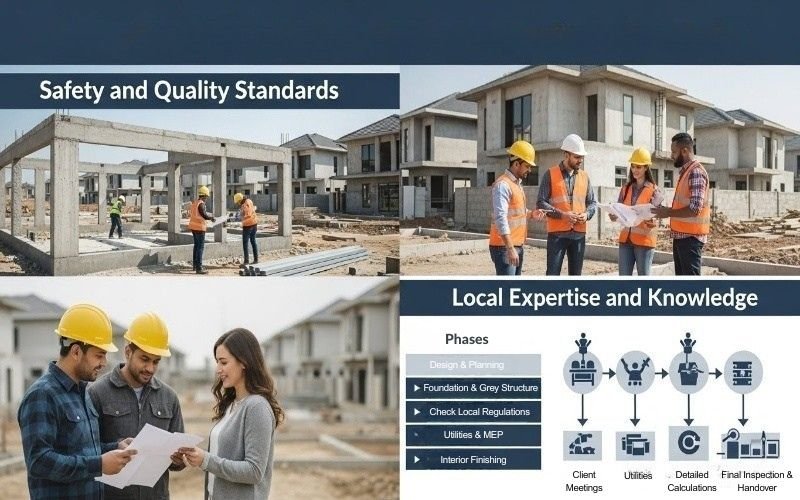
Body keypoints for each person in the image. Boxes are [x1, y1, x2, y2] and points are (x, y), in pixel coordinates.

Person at [17, 303, 137, 500]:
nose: (104, 363)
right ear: (75, 352)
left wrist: (115, 448)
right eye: (99, 355)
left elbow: (81, 449)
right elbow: (39, 461)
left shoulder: (82, 393)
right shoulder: (42, 395)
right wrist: (98, 464)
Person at [88, 312, 185, 500]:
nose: (150, 368)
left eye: (156, 361)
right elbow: (86, 451)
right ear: (128, 352)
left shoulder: (169, 398)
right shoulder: (97, 393)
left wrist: (178, 460)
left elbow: (178, 462)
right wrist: (114, 449)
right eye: (144, 359)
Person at [179, 328, 284, 499]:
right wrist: (197, 457)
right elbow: (223, 457)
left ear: (243, 362)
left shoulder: (256, 407)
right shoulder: (231, 405)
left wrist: (206, 460)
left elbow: (254, 471)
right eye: (217, 362)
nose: (218, 369)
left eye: (223, 362)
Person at [538, 134, 597, 275]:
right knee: (552, 275)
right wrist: (563, 215)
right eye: (577, 157)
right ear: (566, 155)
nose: (580, 160)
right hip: (557, 235)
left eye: (581, 157)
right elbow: (541, 203)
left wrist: (586, 214)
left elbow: (592, 202)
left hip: (578, 236)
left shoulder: (585, 176)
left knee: (576, 277)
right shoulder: (550, 174)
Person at [652, 132, 710, 275]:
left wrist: (668, 212)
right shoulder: (686, 172)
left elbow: (694, 208)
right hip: (682, 237)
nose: (672, 156)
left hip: (690, 239)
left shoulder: (695, 172)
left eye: (674, 152)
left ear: (684, 151)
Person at [488, 140, 545, 275]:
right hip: (504, 247)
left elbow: (515, 212)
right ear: (516, 164)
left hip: (516, 245)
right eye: (527, 166)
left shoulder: (516, 184)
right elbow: (500, 218)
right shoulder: (503, 185)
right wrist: (510, 248)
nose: (529, 170)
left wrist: (531, 214)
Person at [608, 147, 664, 275]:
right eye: (633, 166)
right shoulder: (625, 188)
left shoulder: (654, 190)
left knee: (643, 281)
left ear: (646, 168)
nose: (635, 170)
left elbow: (659, 215)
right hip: (626, 240)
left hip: (644, 242)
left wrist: (652, 219)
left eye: (638, 167)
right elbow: (620, 210)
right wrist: (614, 216)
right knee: (624, 281)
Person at [189, 186, 216, 275]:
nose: (207, 198)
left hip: (193, 227)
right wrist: (211, 218)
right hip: (200, 228)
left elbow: (198, 214)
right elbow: (203, 215)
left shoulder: (195, 203)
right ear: (204, 195)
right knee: (200, 247)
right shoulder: (201, 204)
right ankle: (199, 268)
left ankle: (195, 266)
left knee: (196, 246)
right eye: (206, 197)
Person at [234, 192, 259, 266]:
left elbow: (244, 216)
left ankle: (246, 261)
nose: (238, 204)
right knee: (253, 241)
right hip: (254, 224)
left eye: (238, 202)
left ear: (240, 200)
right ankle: (256, 259)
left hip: (248, 226)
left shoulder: (244, 206)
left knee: (245, 243)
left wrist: (236, 218)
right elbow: (252, 209)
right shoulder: (249, 201)